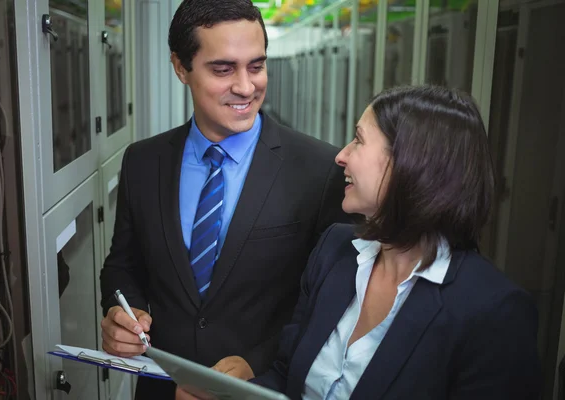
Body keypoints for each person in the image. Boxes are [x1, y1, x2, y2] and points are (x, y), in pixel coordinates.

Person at [98, 0, 347, 398]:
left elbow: (329, 300)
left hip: (261, 388)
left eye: (256, 66)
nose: (246, 87)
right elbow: (122, 266)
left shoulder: (318, 169)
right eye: (223, 69)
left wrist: (258, 361)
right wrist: (118, 311)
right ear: (181, 67)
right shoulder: (143, 162)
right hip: (162, 389)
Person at [247, 85, 541, 399]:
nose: (341, 156)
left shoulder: (494, 312)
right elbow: (286, 375)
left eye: (358, 140)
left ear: (411, 164)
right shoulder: (334, 249)